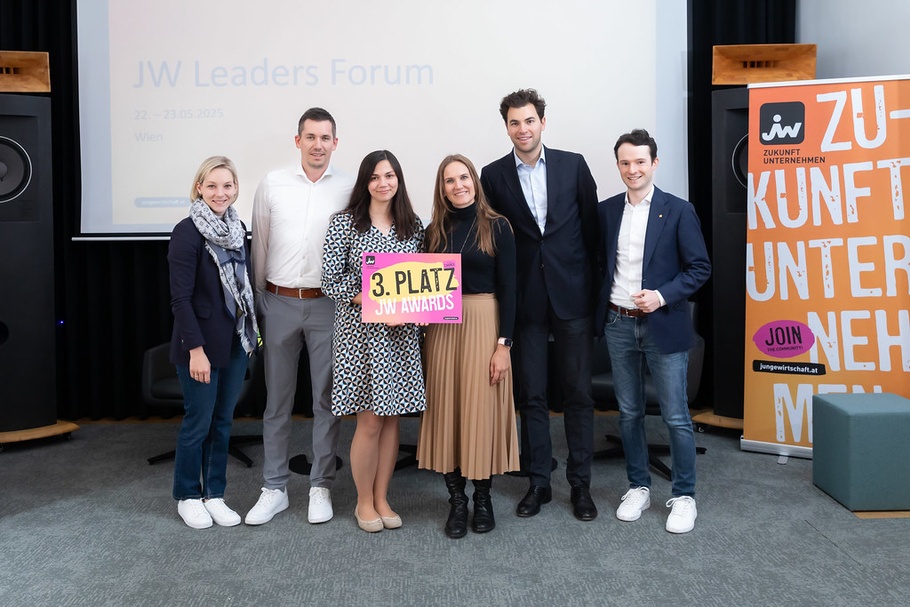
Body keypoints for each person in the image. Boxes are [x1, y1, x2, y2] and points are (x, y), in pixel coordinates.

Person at [480, 88, 600, 521]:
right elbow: (491, 242)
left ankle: (581, 486)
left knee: (579, 395)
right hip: (525, 301)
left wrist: (595, 298)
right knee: (530, 395)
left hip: (573, 297)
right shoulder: (492, 176)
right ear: (507, 127)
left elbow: (592, 235)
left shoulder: (573, 165)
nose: (523, 129)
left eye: (529, 120)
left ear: (542, 122)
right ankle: (539, 483)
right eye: (514, 122)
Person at [595, 128, 711, 534]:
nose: (633, 169)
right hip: (618, 324)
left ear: (654, 163)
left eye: (640, 161)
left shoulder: (678, 210)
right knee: (628, 413)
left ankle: (684, 495)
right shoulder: (607, 210)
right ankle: (638, 486)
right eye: (625, 162)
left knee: (677, 416)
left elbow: (700, 268)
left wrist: (661, 295)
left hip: (663, 324)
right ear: (618, 166)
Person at [246, 108, 354, 526]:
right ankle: (274, 488)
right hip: (279, 302)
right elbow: (260, 246)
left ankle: (320, 486)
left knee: (326, 401)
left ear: (335, 143)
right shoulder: (272, 183)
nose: (317, 145)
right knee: (277, 402)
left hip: (329, 305)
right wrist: (259, 303)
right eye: (310, 137)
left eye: (325, 137)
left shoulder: (349, 186)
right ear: (297, 141)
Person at [321, 150, 427, 533]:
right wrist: (372, 298)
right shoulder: (345, 224)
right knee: (369, 421)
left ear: (399, 179)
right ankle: (363, 501)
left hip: (400, 338)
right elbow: (330, 280)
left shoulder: (412, 226)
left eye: (390, 176)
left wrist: (414, 307)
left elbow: (423, 281)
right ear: (365, 182)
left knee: (393, 419)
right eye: (375, 177)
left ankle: (383, 497)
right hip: (360, 338)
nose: (384, 183)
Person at [417, 154, 520, 539]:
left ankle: (483, 498)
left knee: (480, 411)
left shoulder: (497, 227)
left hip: (483, 324)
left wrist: (503, 345)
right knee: (448, 411)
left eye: (463, 178)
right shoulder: (434, 231)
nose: (457, 185)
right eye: (449, 180)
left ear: (474, 181)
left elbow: (511, 290)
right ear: (441, 188)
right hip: (442, 331)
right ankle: (456, 501)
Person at [168, 156, 259, 529]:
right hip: (200, 346)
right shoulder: (187, 231)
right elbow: (180, 300)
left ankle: (215, 494)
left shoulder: (238, 228)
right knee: (198, 422)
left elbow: (243, 287)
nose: (220, 193)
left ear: (236, 189)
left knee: (222, 423)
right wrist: (196, 351)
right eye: (212, 186)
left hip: (235, 341)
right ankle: (188, 495)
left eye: (227, 186)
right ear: (199, 189)